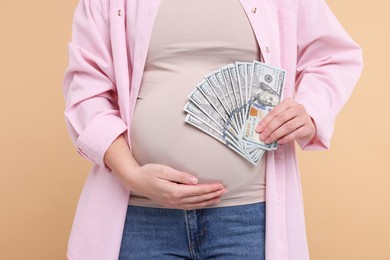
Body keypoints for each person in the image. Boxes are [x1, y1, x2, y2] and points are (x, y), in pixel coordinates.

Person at [63, 0, 363, 259]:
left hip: (249, 217)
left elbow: (334, 57)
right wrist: (132, 175)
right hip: (141, 214)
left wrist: (310, 109)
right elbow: (87, 91)